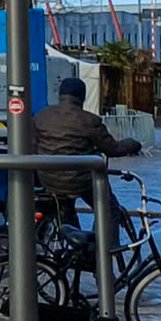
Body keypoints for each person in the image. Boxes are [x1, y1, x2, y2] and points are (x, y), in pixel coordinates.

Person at [33, 76, 141, 226]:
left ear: (60, 95)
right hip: (79, 181)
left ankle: (69, 235)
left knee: (65, 209)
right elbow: (112, 149)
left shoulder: (42, 116)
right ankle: (108, 248)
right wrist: (133, 144)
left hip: (48, 179)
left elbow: (32, 146)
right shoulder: (90, 121)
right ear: (82, 97)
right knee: (109, 210)